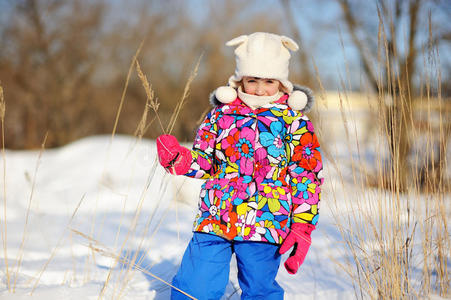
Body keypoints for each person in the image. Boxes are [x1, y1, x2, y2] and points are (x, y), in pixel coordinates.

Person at [156, 32, 324, 300]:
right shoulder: (221, 115)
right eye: (252, 80)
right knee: (194, 286)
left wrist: (302, 225)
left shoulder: (294, 121)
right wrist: (180, 160)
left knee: (259, 289)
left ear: (281, 82)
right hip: (215, 216)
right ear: (239, 79)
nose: (259, 89)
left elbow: (305, 175)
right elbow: (205, 161)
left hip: (266, 220)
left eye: (269, 81)